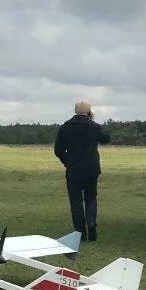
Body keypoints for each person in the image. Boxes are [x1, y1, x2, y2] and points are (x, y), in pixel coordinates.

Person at [54, 100, 111, 241]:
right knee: (91, 198)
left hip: (73, 169)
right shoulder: (94, 126)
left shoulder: (65, 127)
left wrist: (67, 161)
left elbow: (58, 150)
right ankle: (91, 222)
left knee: (76, 201)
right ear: (89, 111)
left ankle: (80, 232)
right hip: (91, 169)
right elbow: (106, 139)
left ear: (75, 111)